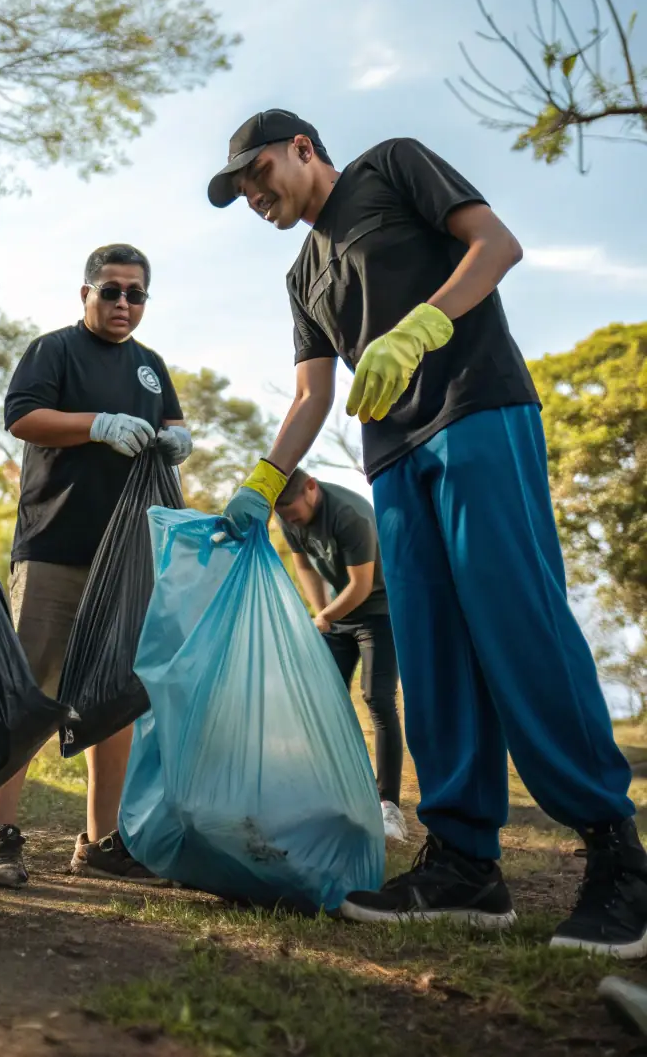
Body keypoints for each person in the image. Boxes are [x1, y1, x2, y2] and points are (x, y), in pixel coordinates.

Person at [208, 108, 647, 955]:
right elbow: (311, 395)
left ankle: (617, 853)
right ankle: (465, 865)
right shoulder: (302, 276)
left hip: (476, 409)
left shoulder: (392, 167)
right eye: (241, 191)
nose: (254, 195)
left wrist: (423, 323)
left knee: (516, 619)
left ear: (303, 147)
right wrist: (262, 483)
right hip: (392, 456)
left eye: (259, 173)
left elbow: (496, 245)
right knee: (434, 651)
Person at [0, 243, 191, 888]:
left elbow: (172, 423)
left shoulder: (150, 365)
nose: (124, 303)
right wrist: (95, 425)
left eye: (137, 294)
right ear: (86, 293)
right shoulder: (54, 350)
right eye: (112, 291)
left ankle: (99, 841)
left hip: (125, 559)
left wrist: (178, 438)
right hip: (53, 546)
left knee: (114, 698)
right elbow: (21, 417)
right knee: (30, 691)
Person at [275, 468, 406, 843]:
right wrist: (322, 614)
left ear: (311, 488)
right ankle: (331, 793)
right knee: (324, 699)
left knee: (377, 700)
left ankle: (388, 807)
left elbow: (362, 585)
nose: (287, 519)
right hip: (339, 615)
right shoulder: (288, 514)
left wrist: (324, 616)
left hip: (380, 612)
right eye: (281, 514)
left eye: (291, 511)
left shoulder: (350, 514)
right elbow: (303, 564)